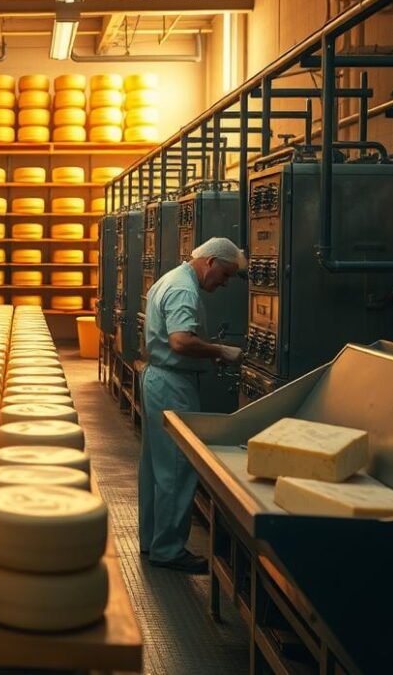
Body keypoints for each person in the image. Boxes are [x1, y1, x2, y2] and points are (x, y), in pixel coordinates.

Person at [139, 237, 245, 573]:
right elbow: (181, 341)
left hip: (158, 377)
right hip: (173, 383)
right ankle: (168, 550)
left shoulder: (169, 279)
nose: (224, 283)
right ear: (210, 262)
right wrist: (219, 351)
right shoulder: (184, 289)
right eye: (224, 275)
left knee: (156, 465)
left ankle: (152, 540)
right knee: (176, 467)